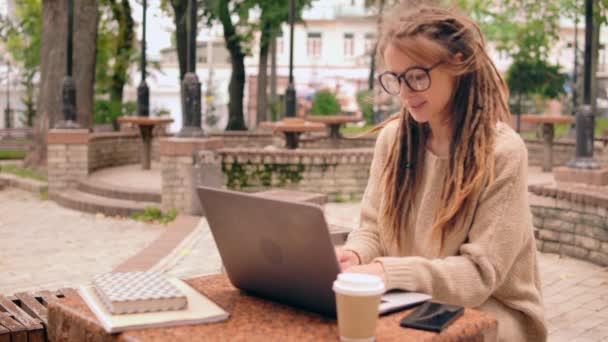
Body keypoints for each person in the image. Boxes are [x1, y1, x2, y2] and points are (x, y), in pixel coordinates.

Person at [335, 3, 547, 341]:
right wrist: (356, 254)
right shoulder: (394, 140)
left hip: (491, 311)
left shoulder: (502, 153)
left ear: (457, 63)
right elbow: (372, 229)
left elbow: (479, 275)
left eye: (417, 77)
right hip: (410, 301)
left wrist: (386, 273)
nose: (405, 92)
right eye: (396, 78)